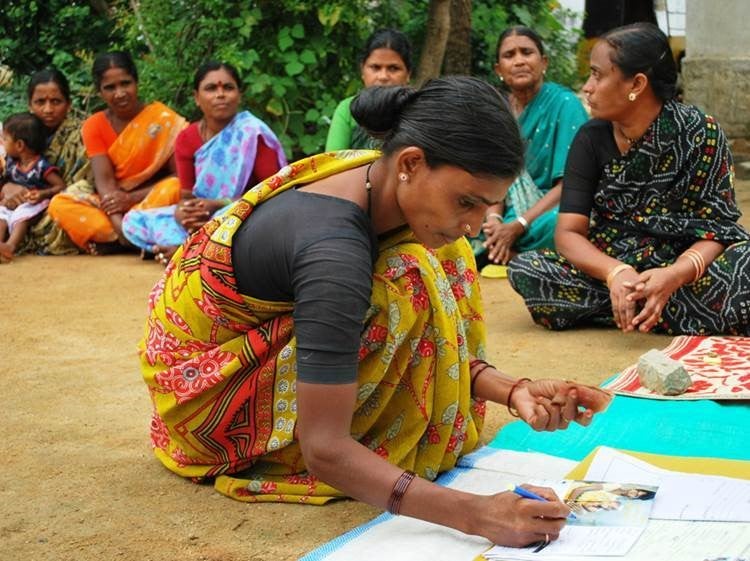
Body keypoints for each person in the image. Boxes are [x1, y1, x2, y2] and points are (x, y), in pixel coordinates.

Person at [140, 76, 612, 548]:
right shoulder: (335, 254)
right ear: (411, 162)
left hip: (272, 337)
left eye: (488, 206)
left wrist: (513, 390)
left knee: (438, 254)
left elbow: (411, 336)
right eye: (466, 201)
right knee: (409, 278)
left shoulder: (376, 178)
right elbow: (325, 449)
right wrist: (476, 514)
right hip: (205, 396)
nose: (473, 223)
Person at [508, 23, 750, 335]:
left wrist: (675, 274)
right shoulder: (590, 138)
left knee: (745, 262)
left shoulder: (701, 133)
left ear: (636, 84)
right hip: (614, 263)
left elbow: (719, 230)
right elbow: (568, 233)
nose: (587, 87)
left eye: (597, 74)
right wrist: (616, 273)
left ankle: (639, 307)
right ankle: (655, 308)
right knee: (528, 269)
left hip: (684, 269)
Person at [121, 61, 287, 264]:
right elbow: (187, 196)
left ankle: (188, 251)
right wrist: (185, 213)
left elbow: (273, 194)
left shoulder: (253, 133)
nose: (220, 94)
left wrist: (218, 204)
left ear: (239, 95)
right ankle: (197, 248)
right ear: (196, 98)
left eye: (228, 88)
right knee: (133, 220)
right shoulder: (187, 138)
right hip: (203, 217)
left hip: (243, 213)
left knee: (231, 219)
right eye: (211, 88)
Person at [471, 26, 589, 268]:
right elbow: (494, 176)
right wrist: (494, 218)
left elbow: (571, 184)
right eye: (509, 55)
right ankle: (510, 251)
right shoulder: (499, 112)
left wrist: (519, 225)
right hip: (508, 212)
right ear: (498, 69)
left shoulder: (565, 104)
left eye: (526, 52)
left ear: (543, 61)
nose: (519, 61)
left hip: (552, 209)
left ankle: (511, 256)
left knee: (564, 224)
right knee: (467, 216)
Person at [48, 51, 186, 254]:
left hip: (150, 201)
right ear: (99, 92)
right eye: (110, 88)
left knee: (175, 186)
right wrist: (120, 226)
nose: (120, 93)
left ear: (136, 82)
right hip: (113, 204)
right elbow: (105, 184)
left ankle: (122, 241)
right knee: (60, 204)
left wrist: (132, 199)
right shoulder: (94, 125)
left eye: (125, 83)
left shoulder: (163, 119)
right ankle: (132, 238)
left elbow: (179, 175)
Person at [2, 69, 93, 255]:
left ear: (68, 104)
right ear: (30, 104)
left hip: (58, 205)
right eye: (40, 102)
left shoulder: (83, 135)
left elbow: (83, 185)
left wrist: (40, 195)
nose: (48, 109)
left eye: (56, 102)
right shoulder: (17, 131)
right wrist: (7, 187)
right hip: (14, 203)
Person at [325, 28, 411, 151]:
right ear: (362, 70)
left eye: (393, 68)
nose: (383, 77)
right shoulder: (347, 110)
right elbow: (333, 164)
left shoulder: (418, 112)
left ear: (408, 74)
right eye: (375, 67)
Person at [0, 113, 65, 260]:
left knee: (21, 216)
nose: (2, 142)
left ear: (20, 145)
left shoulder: (41, 166)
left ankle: (10, 246)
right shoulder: (11, 162)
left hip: (33, 202)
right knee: (1, 213)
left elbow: (60, 186)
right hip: (14, 201)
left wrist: (42, 194)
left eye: (5, 139)